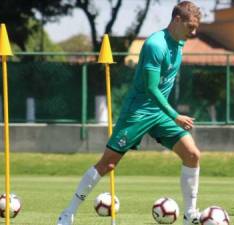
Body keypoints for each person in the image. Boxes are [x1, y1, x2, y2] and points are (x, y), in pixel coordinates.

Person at [57, 2, 202, 225]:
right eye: (190, 27)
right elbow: (152, 88)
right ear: (177, 20)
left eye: (196, 27)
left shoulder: (180, 43)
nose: (194, 32)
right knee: (108, 164)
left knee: (193, 155)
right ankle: (68, 213)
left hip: (160, 113)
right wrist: (175, 115)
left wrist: (169, 115)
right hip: (139, 112)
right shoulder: (155, 45)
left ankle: (190, 214)